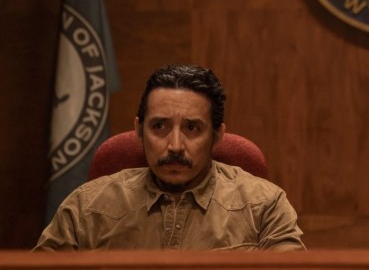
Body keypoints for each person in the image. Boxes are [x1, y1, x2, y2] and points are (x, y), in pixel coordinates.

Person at [35, 64, 305, 251]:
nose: (175, 146)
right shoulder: (85, 208)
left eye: (192, 128)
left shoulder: (264, 206)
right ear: (139, 131)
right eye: (160, 126)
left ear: (217, 136)